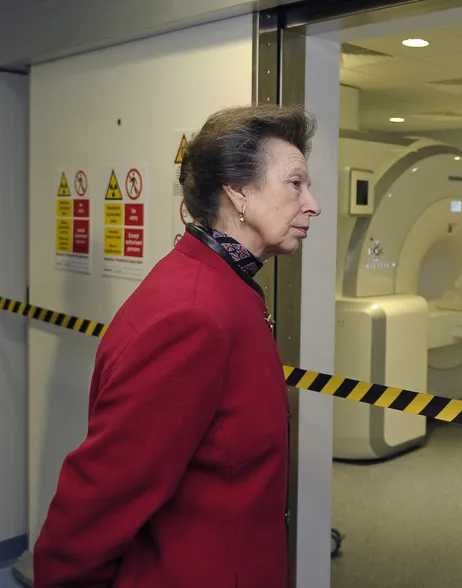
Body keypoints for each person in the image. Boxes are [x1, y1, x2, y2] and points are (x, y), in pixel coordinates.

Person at [33, 104, 321, 588]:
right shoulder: (193, 316)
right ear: (239, 192)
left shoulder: (223, 286)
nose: (312, 203)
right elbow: (98, 502)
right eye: (295, 183)